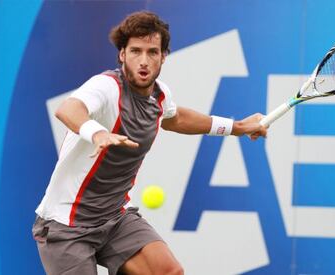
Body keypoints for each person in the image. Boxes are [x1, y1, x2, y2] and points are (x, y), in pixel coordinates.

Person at [32, 11, 267, 275]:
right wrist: (98, 134)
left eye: (152, 52)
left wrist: (236, 128)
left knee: (168, 272)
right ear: (122, 54)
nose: (143, 61)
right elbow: (68, 108)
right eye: (135, 51)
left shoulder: (160, 95)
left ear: (163, 56)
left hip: (114, 218)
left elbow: (175, 118)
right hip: (66, 225)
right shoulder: (106, 87)